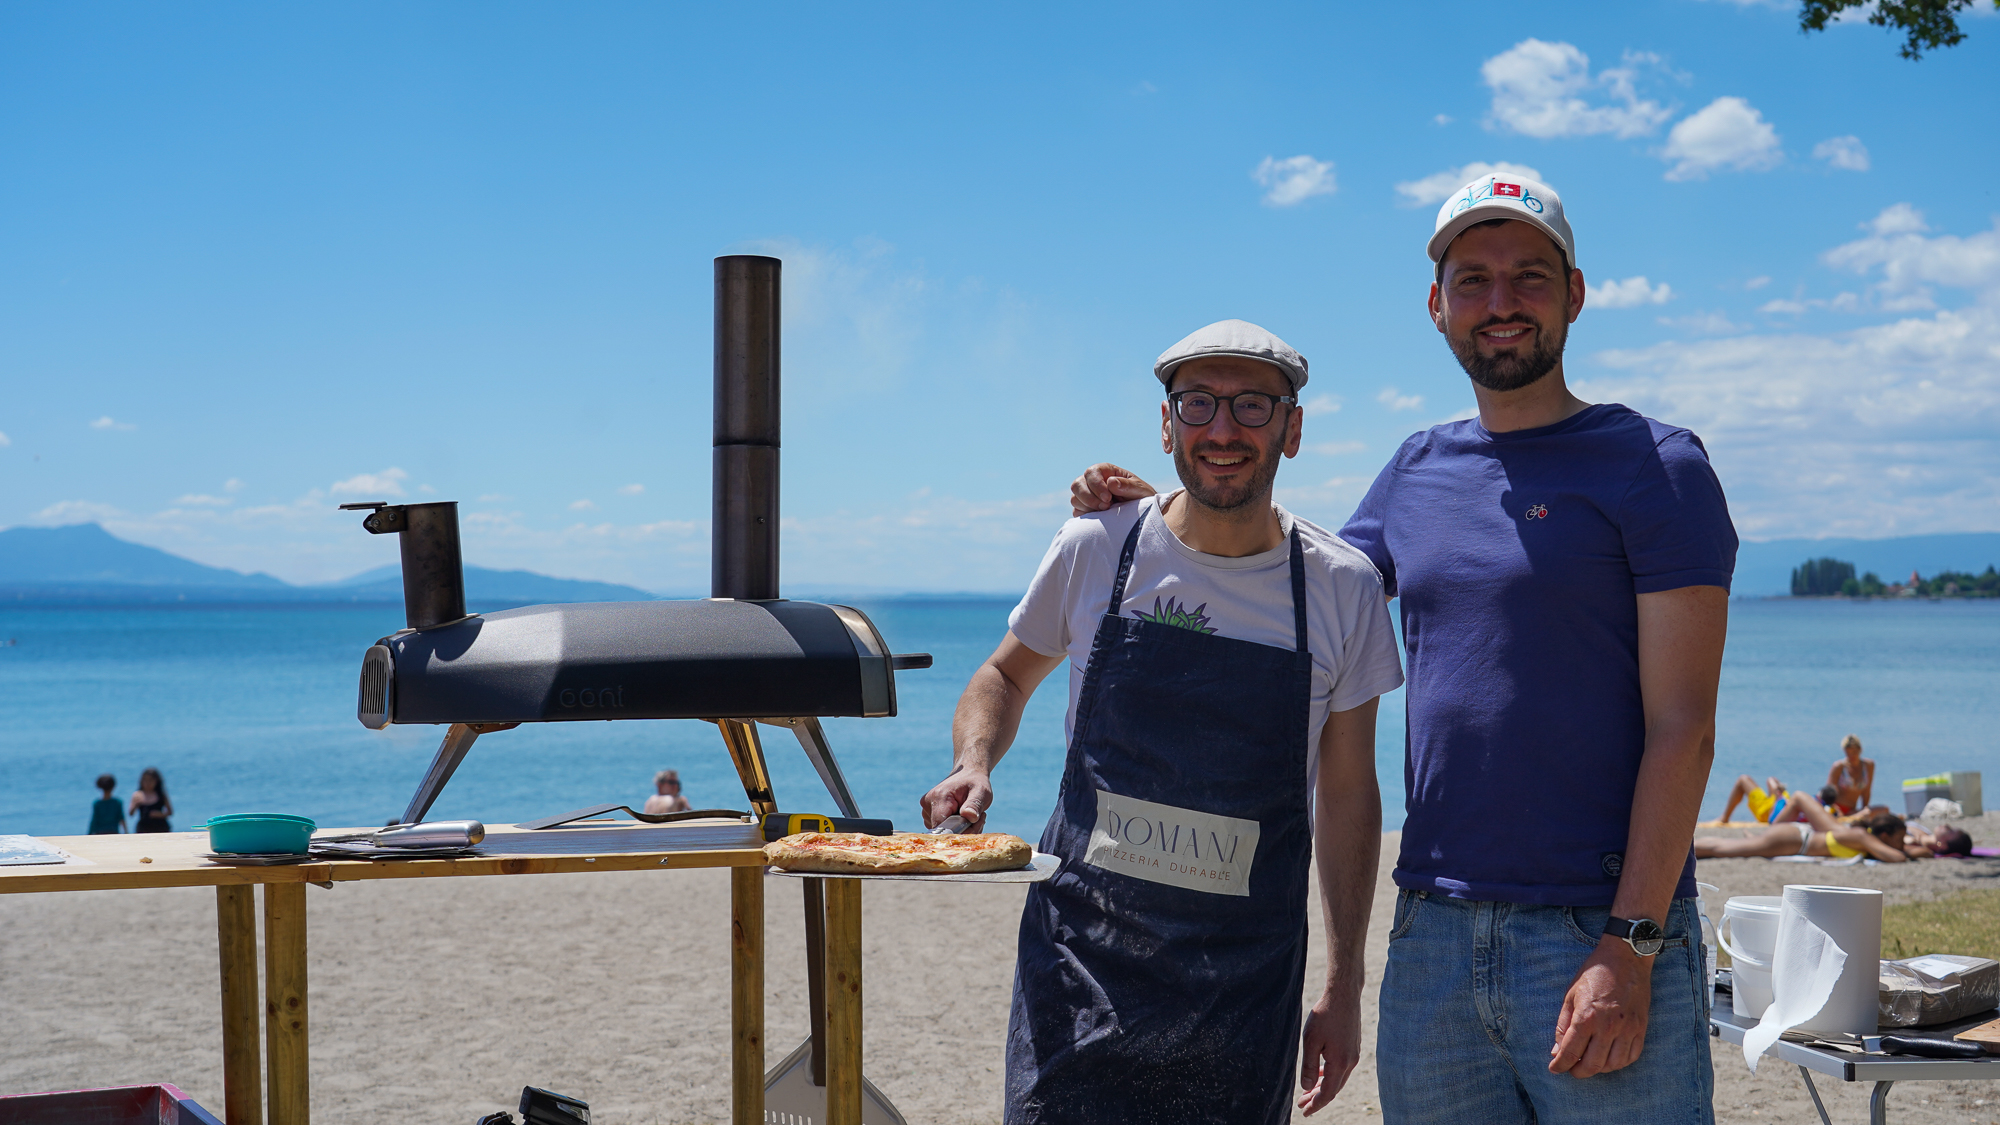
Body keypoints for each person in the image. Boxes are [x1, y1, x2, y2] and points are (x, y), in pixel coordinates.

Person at [1068, 173, 1735, 1123]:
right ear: (1437, 305)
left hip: (1596, 929)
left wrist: (1630, 944)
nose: (1500, 302)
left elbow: (1685, 728)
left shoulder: (1655, 466)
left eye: (1529, 276)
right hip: (1432, 940)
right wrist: (1167, 514)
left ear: (1575, 294)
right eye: (1473, 280)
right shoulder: (1418, 466)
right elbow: (1288, 585)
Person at [921, 320, 1405, 1124]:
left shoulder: (1341, 587)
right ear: (1166, 424)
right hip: (1080, 969)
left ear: (1292, 429)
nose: (1223, 428)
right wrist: (974, 761)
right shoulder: (1096, 546)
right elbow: (1003, 674)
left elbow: (1351, 792)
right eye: (1198, 402)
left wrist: (1344, 984)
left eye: (1253, 405)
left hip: (1245, 991)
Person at [1696, 794, 1920, 862]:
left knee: (1729, 847)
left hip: (1795, 836)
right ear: (1884, 835)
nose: (1901, 844)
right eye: (1899, 839)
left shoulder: (1859, 836)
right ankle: (1688, 848)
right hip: (1792, 840)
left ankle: (1688, 848)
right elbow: (1898, 858)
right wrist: (1912, 851)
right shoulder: (1863, 837)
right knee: (1723, 848)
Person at [1827, 734, 1875, 814]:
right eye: (1848, 753)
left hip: (1852, 810)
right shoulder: (1839, 767)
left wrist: (1865, 810)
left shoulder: (1869, 765)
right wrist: (1836, 812)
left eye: (1854, 752)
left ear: (1860, 750)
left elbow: (1866, 792)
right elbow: (1828, 793)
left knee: (1884, 809)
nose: (1851, 756)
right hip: (1837, 809)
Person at [129, 768, 173, 833]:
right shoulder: (137, 795)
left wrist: (159, 814)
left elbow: (170, 812)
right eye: (145, 780)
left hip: (161, 827)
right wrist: (136, 805)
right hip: (143, 828)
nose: (148, 783)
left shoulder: (161, 794)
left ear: (156, 781)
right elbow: (131, 813)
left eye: (150, 780)